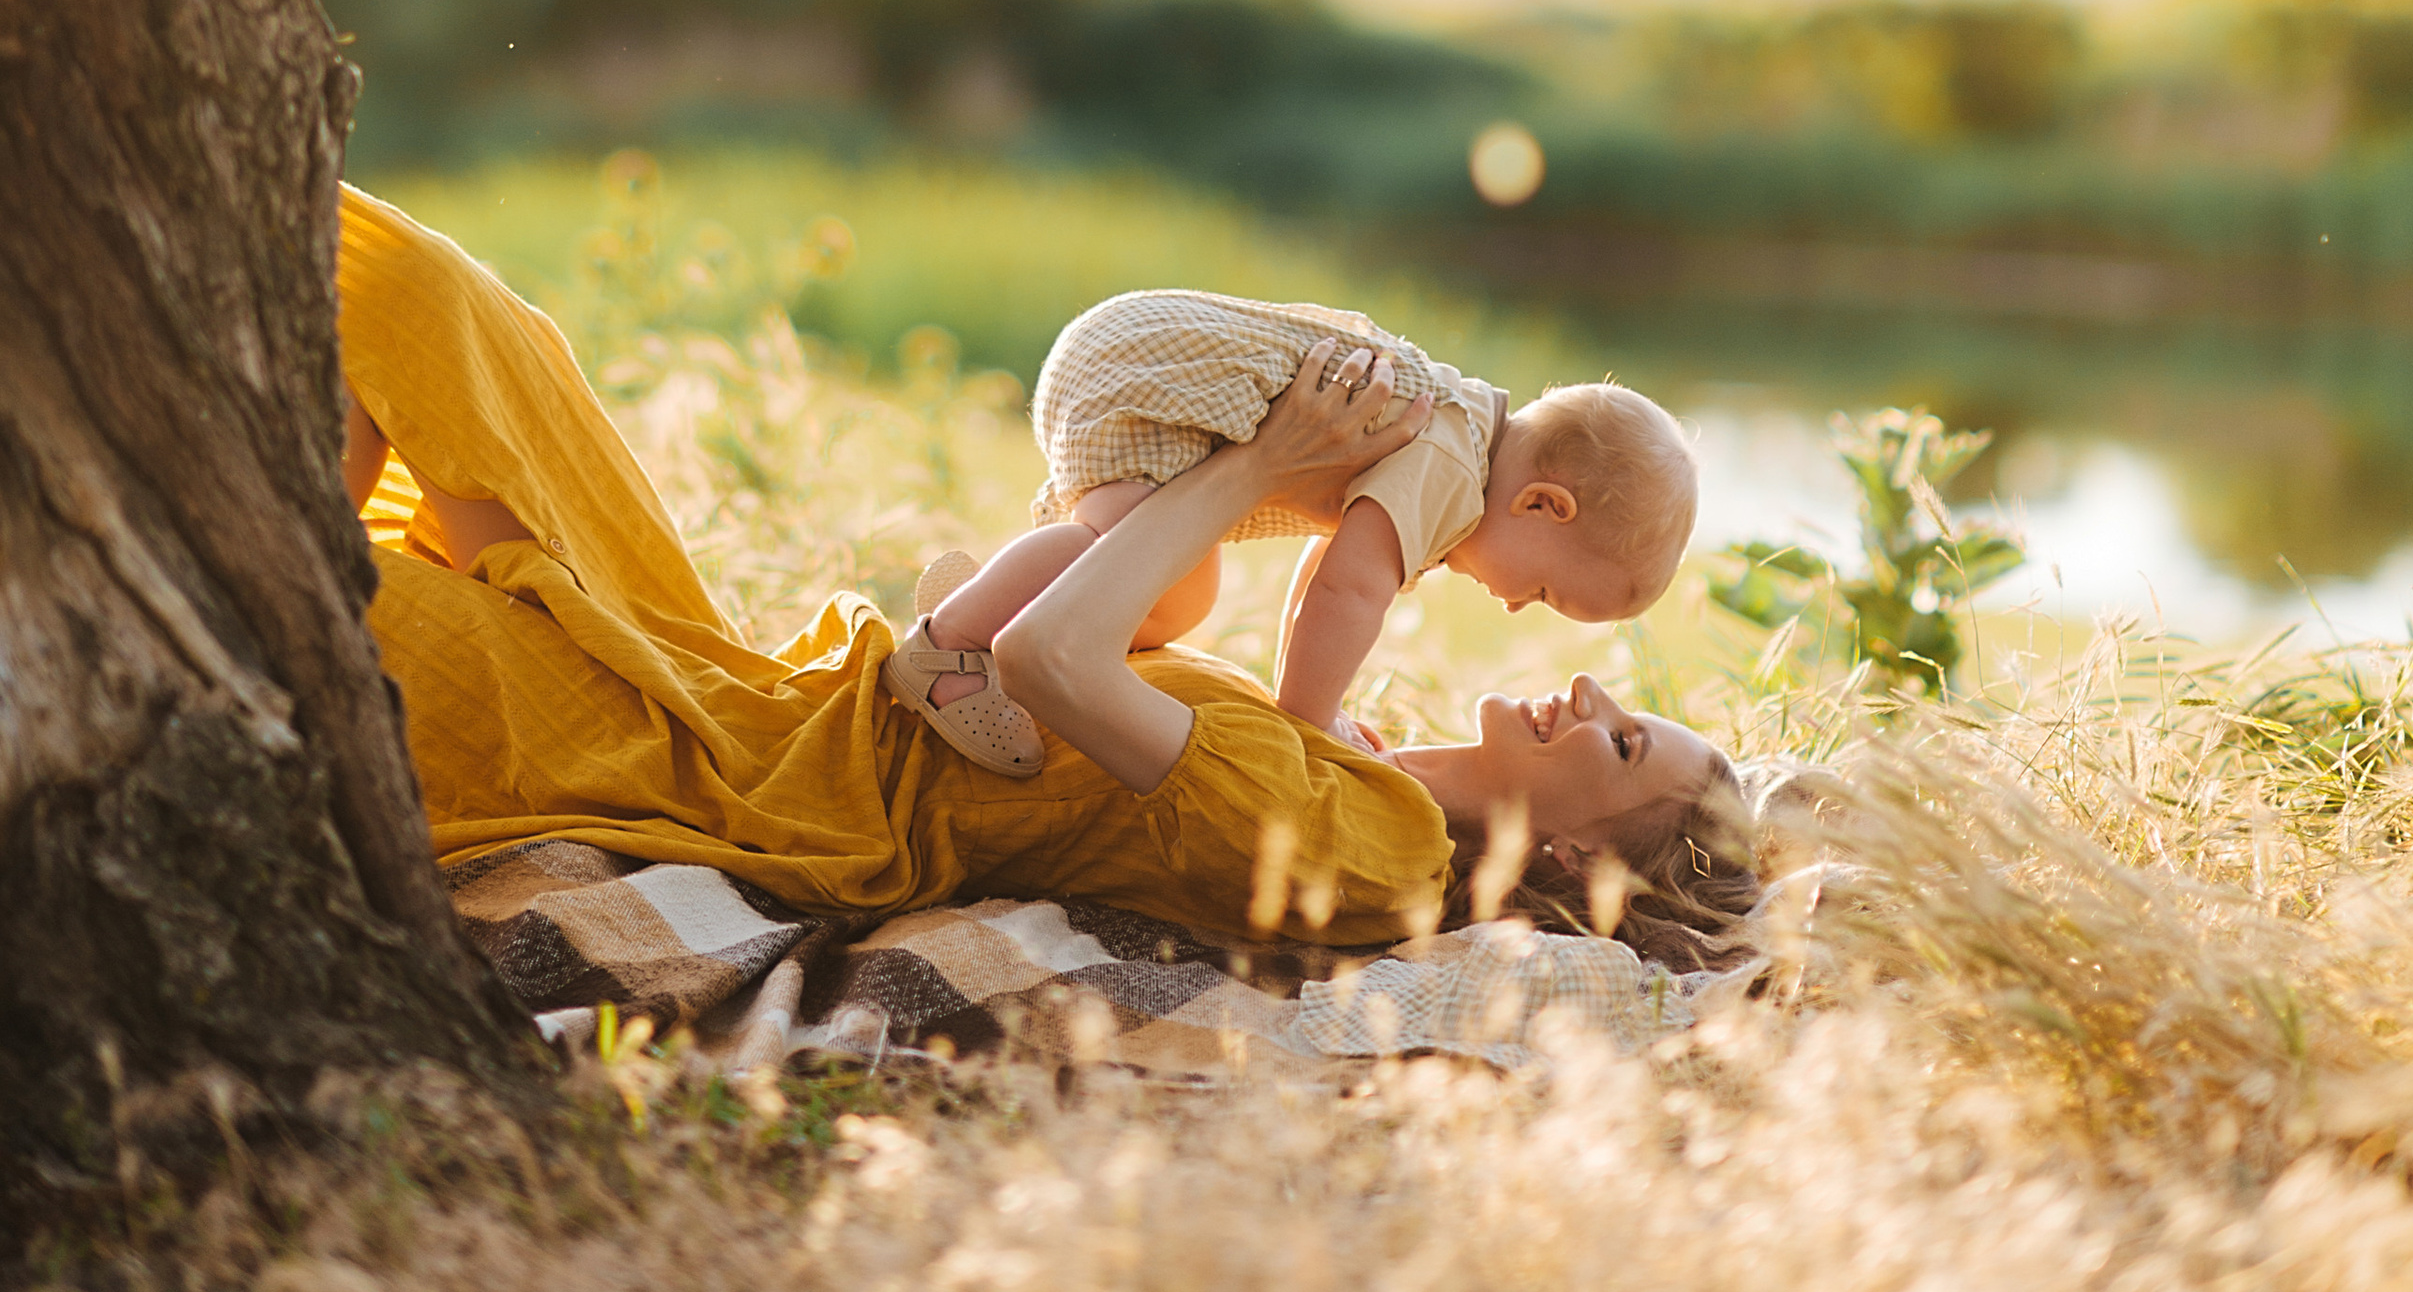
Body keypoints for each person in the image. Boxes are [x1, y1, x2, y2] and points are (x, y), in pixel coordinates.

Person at [335, 191, 1756, 965]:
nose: (1584, 682)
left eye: (1623, 735)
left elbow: (1047, 662)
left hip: (785, 783)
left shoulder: (1367, 847)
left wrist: (1259, 460)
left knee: (342, 592)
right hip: (779, 698)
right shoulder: (1364, 768)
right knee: (427, 303)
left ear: (1574, 858)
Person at [890, 287, 1700, 776]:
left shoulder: (1455, 441)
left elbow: (1326, 569)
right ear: (1544, 504)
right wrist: (1311, 717)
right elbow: (1351, 589)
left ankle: (988, 594)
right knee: (1118, 548)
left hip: (1133, 351)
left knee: (1170, 598)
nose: (1519, 607)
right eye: (1546, 590)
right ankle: (947, 643)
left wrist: (1302, 695)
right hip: (1153, 375)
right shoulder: (1454, 463)